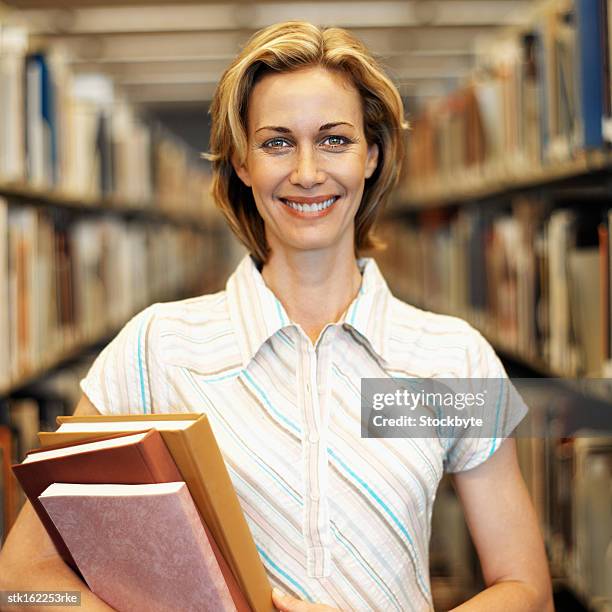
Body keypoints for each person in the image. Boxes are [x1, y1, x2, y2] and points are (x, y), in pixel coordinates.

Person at [0, 21, 554, 612]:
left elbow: (527, 590)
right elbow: (22, 585)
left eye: (335, 140)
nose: (308, 172)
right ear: (241, 162)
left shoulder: (453, 355)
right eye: (277, 142)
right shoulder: (158, 348)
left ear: (372, 156)